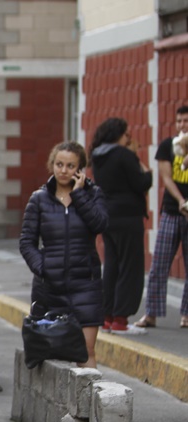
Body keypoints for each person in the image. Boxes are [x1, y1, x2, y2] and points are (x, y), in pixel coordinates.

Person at [19, 141, 108, 368]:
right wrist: (43, 267)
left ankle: (87, 403)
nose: (63, 170)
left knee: (86, 351)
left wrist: (79, 195)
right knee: (44, 351)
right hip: (50, 286)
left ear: (80, 169)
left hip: (85, 285)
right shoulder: (39, 199)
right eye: (59, 164)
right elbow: (27, 242)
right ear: (52, 164)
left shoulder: (93, 194)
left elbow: (100, 224)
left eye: (70, 166)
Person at [89, 117, 152, 335]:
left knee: (112, 266)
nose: (128, 138)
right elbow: (142, 182)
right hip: (128, 217)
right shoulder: (124, 155)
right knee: (130, 266)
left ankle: (107, 317)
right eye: (126, 135)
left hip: (108, 216)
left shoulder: (97, 156)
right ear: (118, 135)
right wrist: (142, 164)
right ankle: (121, 320)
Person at [136, 105, 188, 330]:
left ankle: (186, 315)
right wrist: (181, 201)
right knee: (159, 264)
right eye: (179, 121)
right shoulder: (168, 146)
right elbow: (166, 178)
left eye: (185, 121)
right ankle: (151, 314)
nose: (182, 125)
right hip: (171, 210)